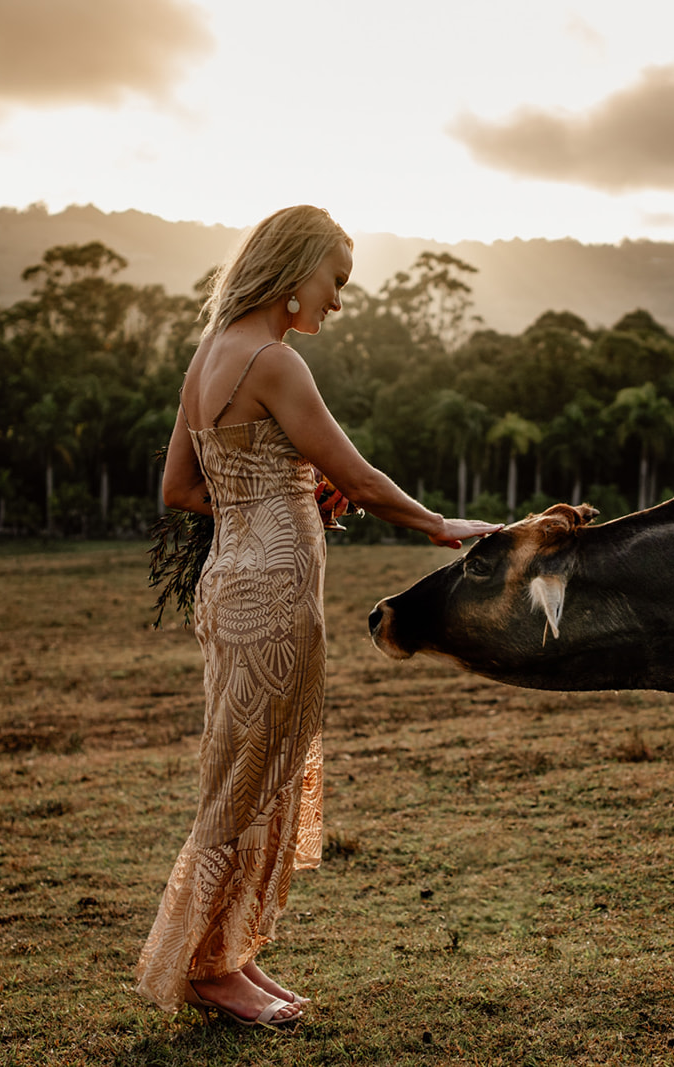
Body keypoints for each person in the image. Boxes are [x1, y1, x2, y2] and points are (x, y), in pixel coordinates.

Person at [136, 205, 500, 1026]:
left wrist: (277, 497)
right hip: (271, 595)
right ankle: (207, 970)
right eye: (334, 281)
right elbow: (364, 478)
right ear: (296, 269)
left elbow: (181, 491)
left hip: (233, 584)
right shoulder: (274, 361)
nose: (337, 300)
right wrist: (441, 524)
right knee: (247, 777)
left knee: (251, 767)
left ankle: (226, 953)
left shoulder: (210, 356)